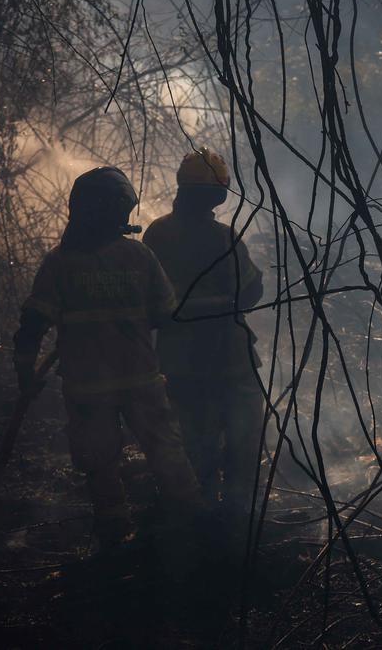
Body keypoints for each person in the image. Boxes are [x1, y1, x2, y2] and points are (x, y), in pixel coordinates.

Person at [13, 166, 201, 551]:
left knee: (100, 463)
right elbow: (168, 314)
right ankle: (190, 522)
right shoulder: (139, 256)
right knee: (166, 450)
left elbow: (33, 324)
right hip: (141, 379)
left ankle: (115, 535)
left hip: (88, 388)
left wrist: (25, 373)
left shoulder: (60, 262)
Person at [143, 149, 265, 528]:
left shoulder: (156, 234)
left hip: (179, 358)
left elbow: (148, 301)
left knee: (192, 435)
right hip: (229, 355)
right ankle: (236, 511)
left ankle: (197, 508)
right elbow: (251, 290)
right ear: (219, 194)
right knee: (243, 431)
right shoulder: (223, 238)